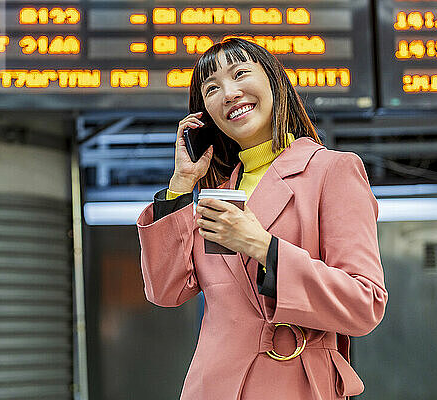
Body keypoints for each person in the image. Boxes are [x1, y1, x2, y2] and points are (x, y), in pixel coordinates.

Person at [136, 38, 388, 400]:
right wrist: (180, 184)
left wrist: (262, 247)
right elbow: (165, 291)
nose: (229, 92)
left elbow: (365, 304)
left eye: (240, 74)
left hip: (299, 384)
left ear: (274, 81)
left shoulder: (332, 170)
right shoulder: (216, 196)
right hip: (214, 387)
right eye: (211, 88)